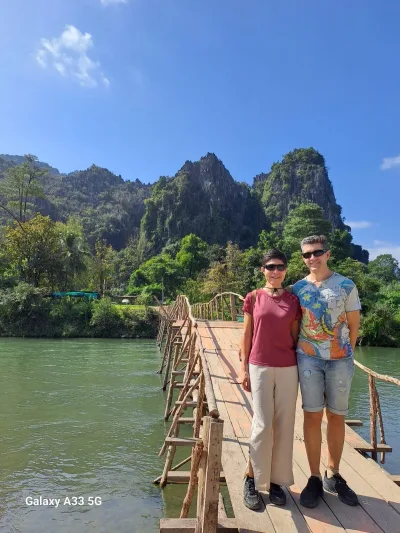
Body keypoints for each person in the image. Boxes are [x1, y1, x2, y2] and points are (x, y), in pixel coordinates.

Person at [292, 235, 361, 508]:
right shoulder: (297, 288)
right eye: (308, 254)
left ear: (327, 254)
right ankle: (313, 477)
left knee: (336, 416)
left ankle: (334, 473)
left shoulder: (346, 285)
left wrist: (346, 354)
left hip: (340, 360)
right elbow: (292, 324)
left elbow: (354, 325)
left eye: (317, 252)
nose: (313, 258)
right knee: (311, 416)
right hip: (308, 359)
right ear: (303, 258)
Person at [240, 249, 301, 509]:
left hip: (288, 367)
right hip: (260, 366)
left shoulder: (293, 300)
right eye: (270, 266)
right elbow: (246, 335)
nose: (275, 271)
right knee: (262, 424)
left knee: (284, 425)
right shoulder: (253, 297)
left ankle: (276, 482)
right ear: (262, 269)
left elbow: (296, 337)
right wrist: (243, 369)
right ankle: (251, 478)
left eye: (280, 267)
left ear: (286, 270)